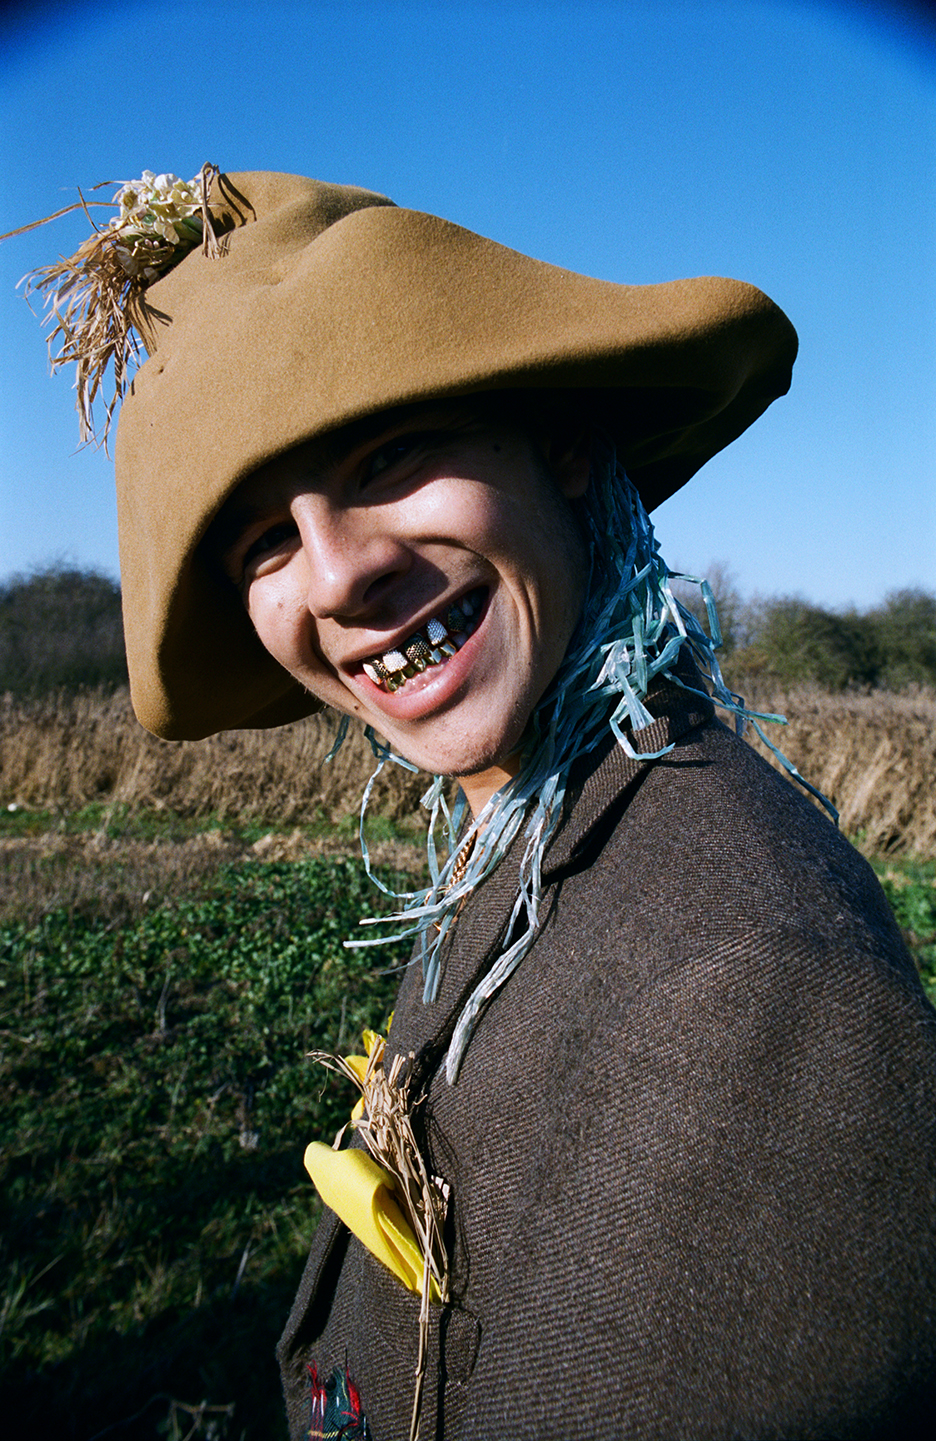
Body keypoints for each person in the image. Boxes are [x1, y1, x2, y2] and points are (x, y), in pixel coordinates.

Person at [20, 168, 936, 1440]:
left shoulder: (758, 992)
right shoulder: (533, 829)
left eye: (389, 453)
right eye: (263, 540)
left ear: (561, 442)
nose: (338, 575)